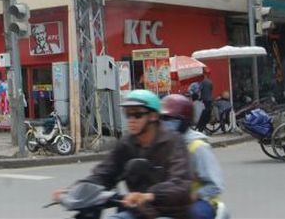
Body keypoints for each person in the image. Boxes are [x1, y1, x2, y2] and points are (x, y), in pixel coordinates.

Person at [54, 89, 192, 219]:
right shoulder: (127, 143)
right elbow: (104, 173)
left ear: (153, 116)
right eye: (128, 114)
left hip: (169, 212)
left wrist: (150, 195)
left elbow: (181, 183)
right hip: (138, 211)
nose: (131, 120)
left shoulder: (173, 141)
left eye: (137, 115)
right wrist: (73, 191)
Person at [161, 94, 226, 219]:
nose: (166, 124)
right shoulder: (164, 145)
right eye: (164, 119)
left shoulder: (198, 147)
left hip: (201, 201)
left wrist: (193, 196)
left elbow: (215, 185)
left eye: (171, 119)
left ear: (184, 121)